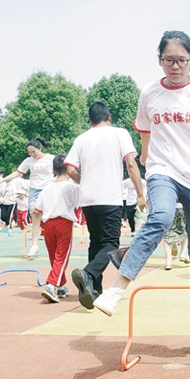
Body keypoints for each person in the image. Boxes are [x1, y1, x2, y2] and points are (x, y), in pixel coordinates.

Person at [92, 31, 190, 355]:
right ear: (159, 60)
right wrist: (146, 160)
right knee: (158, 217)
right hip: (163, 171)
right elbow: (145, 129)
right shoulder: (149, 93)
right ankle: (117, 289)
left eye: (181, 60)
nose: (175, 66)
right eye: (168, 60)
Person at [64, 102, 145, 309]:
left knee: (96, 242)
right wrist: (140, 193)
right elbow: (131, 163)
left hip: (88, 199)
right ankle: (89, 273)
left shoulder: (81, 138)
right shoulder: (119, 133)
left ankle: (94, 289)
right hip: (110, 198)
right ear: (109, 116)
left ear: (90, 120)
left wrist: (85, 182)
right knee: (110, 244)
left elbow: (71, 170)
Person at [0, 138, 55, 255]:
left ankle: (55, 242)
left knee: (51, 215)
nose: (32, 155)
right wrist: (2, 180)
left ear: (40, 148)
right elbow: (18, 173)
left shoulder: (51, 158)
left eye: (34, 152)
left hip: (48, 188)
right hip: (34, 189)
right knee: (35, 215)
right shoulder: (29, 161)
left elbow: (62, 170)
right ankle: (34, 246)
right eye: (29, 152)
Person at [35, 155, 80, 303]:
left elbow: (37, 210)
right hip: (64, 223)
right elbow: (79, 205)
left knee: (54, 256)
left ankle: (60, 285)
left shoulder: (46, 189)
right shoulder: (73, 187)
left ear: (53, 170)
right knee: (61, 256)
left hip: (47, 224)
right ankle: (52, 285)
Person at [161, 203, 189, 270]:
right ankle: (183, 253)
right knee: (184, 229)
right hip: (183, 207)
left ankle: (168, 260)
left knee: (168, 232)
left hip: (169, 207)